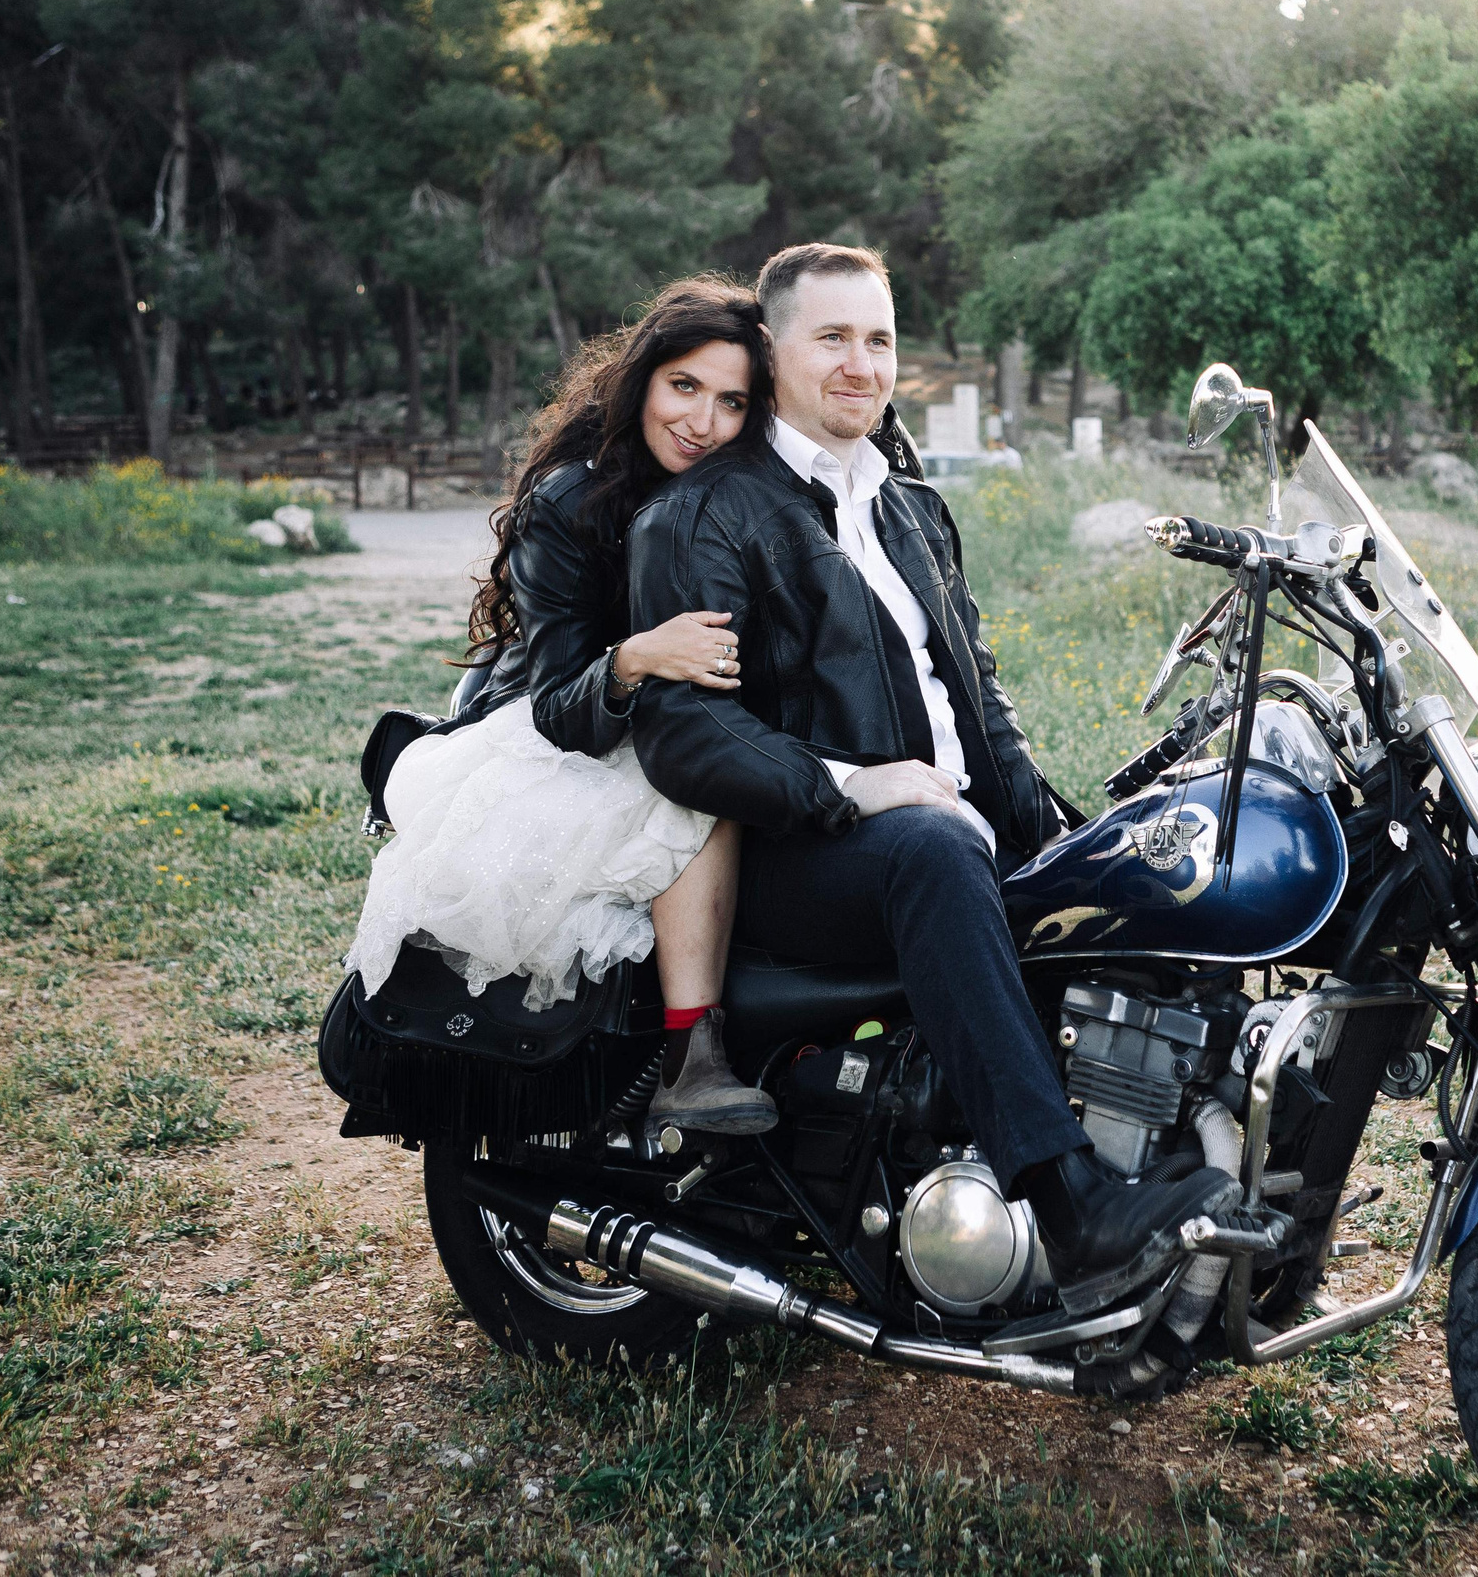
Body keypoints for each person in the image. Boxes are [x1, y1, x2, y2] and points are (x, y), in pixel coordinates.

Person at [627, 244, 1238, 1305]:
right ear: (771, 354)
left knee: (1146, 877)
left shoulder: (909, 506)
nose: (861, 364)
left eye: (879, 340)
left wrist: (1061, 841)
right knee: (935, 845)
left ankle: (1204, 1176)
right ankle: (1069, 1202)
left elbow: (978, 704)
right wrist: (854, 788)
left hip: (927, 835)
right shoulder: (705, 515)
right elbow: (686, 734)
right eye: (832, 338)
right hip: (797, 853)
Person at [345, 276, 776, 1133]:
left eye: (731, 401)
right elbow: (556, 703)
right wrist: (638, 655)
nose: (702, 421)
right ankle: (695, 1055)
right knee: (700, 793)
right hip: (564, 730)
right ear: (642, 379)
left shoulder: (744, 493)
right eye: (683, 386)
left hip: (665, 715)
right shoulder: (572, 498)